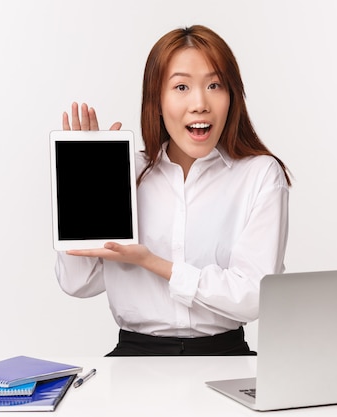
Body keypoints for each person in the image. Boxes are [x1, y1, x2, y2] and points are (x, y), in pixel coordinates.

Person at [56, 24, 292, 356]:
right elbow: (77, 284)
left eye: (214, 85)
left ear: (231, 96)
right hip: (133, 360)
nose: (199, 103)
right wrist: (82, 188)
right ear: (157, 100)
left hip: (225, 357)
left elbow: (254, 296)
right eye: (181, 86)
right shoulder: (127, 173)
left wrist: (153, 262)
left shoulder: (259, 175)